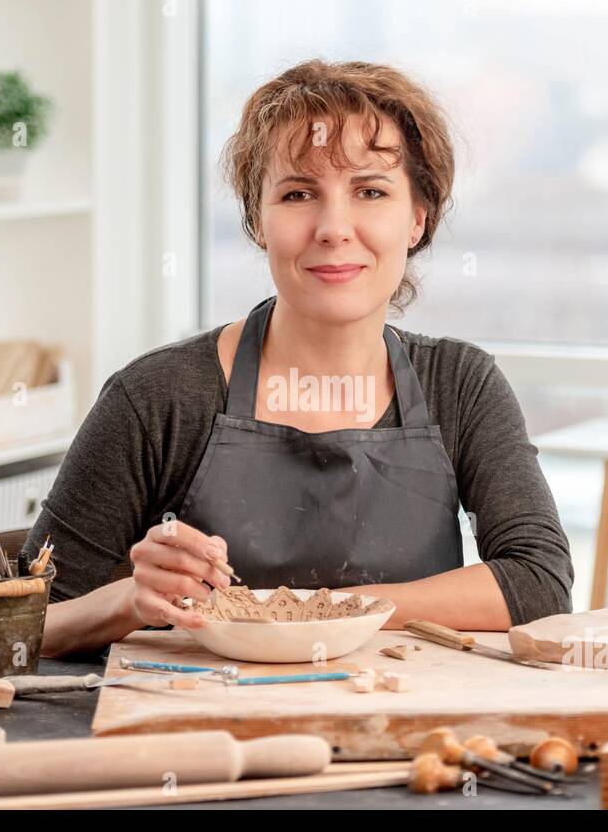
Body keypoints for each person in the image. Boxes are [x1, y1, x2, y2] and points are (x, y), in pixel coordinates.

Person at [28, 59, 573, 657]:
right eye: (297, 193)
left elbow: (537, 582)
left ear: (418, 217)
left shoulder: (462, 386)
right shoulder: (160, 396)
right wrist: (132, 597)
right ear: (258, 222)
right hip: (204, 733)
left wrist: (330, 615)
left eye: (370, 191)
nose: (334, 227)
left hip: (394, 727)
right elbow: (22, 628)